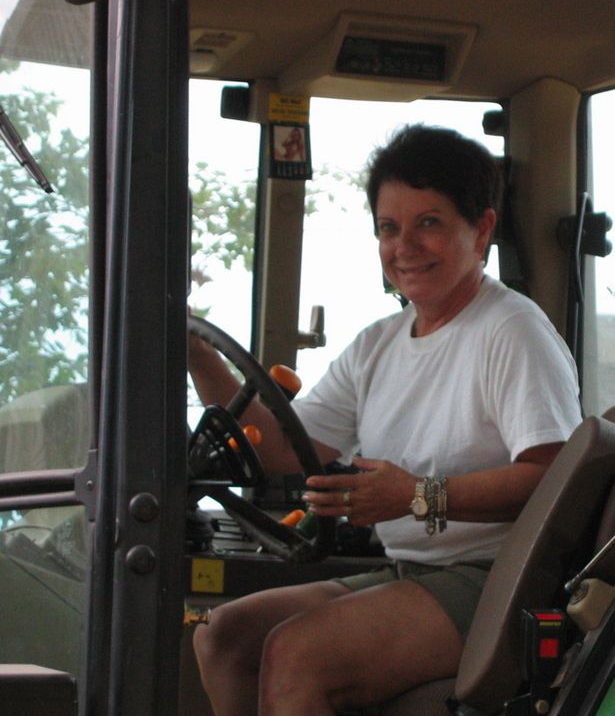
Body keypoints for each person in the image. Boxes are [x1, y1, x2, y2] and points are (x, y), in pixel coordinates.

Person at [188, 124, 582, 716]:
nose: (405, 246)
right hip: (412, 569)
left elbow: (555, 479)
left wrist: (418, 497)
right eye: (389, 228)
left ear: (481, 230)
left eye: (430, 223)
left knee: (299, 654)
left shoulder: (512, 331)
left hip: (501, 580)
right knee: (225, 635)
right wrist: (194, 349)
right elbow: (279, 448)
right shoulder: (378, 345)